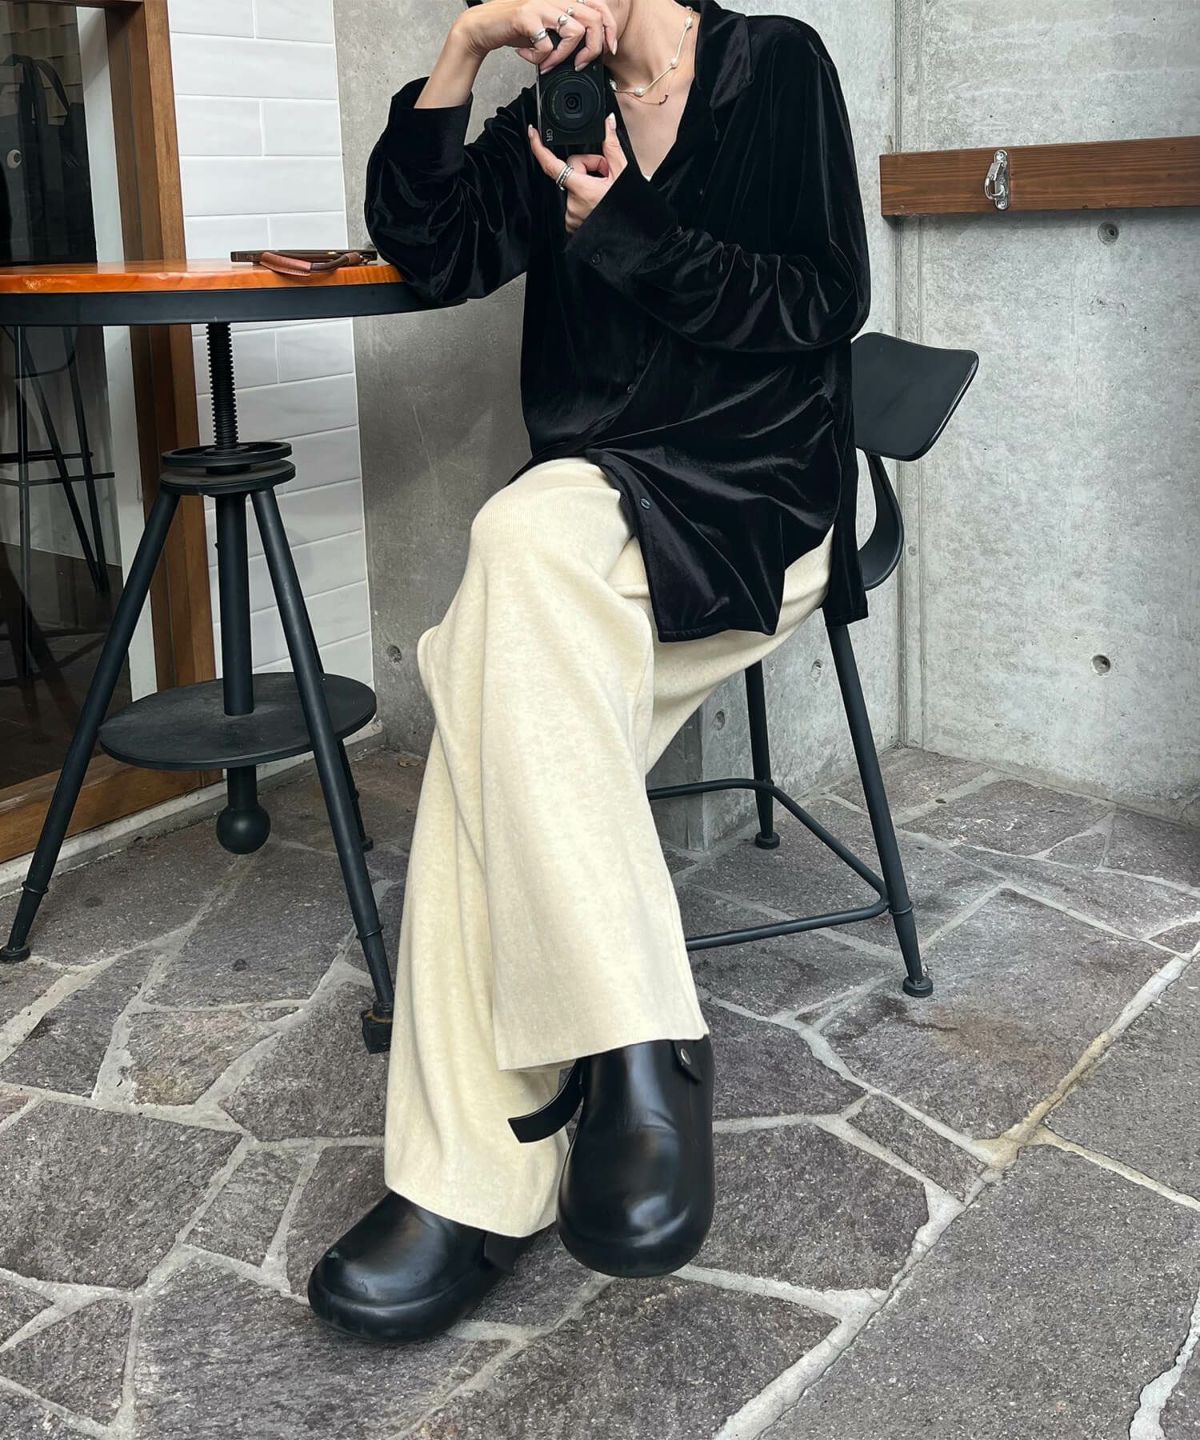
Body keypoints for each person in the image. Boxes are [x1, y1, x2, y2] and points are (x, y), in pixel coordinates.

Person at [307, 0, 871, 1343]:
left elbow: (823, 300)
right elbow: (431, 249)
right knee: (516, 602)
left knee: (500, 604)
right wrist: (462, 51)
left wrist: (628, 233)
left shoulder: (775, 66)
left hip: (759, 495)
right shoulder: (554, 117)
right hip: (601, 503)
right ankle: (633, 1047)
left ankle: (469, 1188)